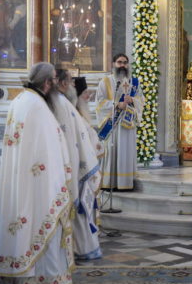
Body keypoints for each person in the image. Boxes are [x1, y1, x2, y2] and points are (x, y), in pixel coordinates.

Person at [0, 63, 74, 284]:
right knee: (38, 216)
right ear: (47, 82)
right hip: (39, 182)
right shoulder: (37, 106)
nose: (55, 84)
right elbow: (51, 148)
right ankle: (42, 277)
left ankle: (15, 274)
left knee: (21, 219)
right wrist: (61, 175)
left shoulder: (19, 100)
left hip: (21, 177)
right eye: (54, 79)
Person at [52, 70, 102, 260]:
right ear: (64, 83)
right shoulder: (66, 107)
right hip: (77, 167)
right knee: (79, 210)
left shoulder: (67, 106)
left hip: (77, 165)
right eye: (72, 82)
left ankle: (83, 248)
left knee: (81, 211)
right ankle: (82, 249)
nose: (88, 95)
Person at [95, 53, 144, 190]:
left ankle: (125, 183)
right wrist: (117, 104)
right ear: (113, 64)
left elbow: (141, 100)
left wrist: (132, 100)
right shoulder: (105, 82)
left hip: (128, 125)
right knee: (112, 151)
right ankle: (110, 183)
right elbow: (99, 102)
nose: (122, 65)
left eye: (125, 62)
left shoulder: (134, 83)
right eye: (119, 62)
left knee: (126, 152)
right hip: (113, 125)